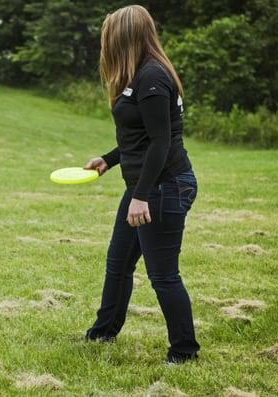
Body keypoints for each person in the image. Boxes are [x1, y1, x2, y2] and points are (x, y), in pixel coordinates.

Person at [83, 5, 200, 364]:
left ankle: (184, 351)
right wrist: (109, 159)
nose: (106, 44)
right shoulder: (140, 75)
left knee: (163, 275)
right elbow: (142, 137)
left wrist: (142, 197)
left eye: (110, 37)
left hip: (164, 187)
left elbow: (161, 143)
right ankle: (103, 332)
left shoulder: (151, 77)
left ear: (125, 36)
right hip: (145, 187)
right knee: (118, 263)